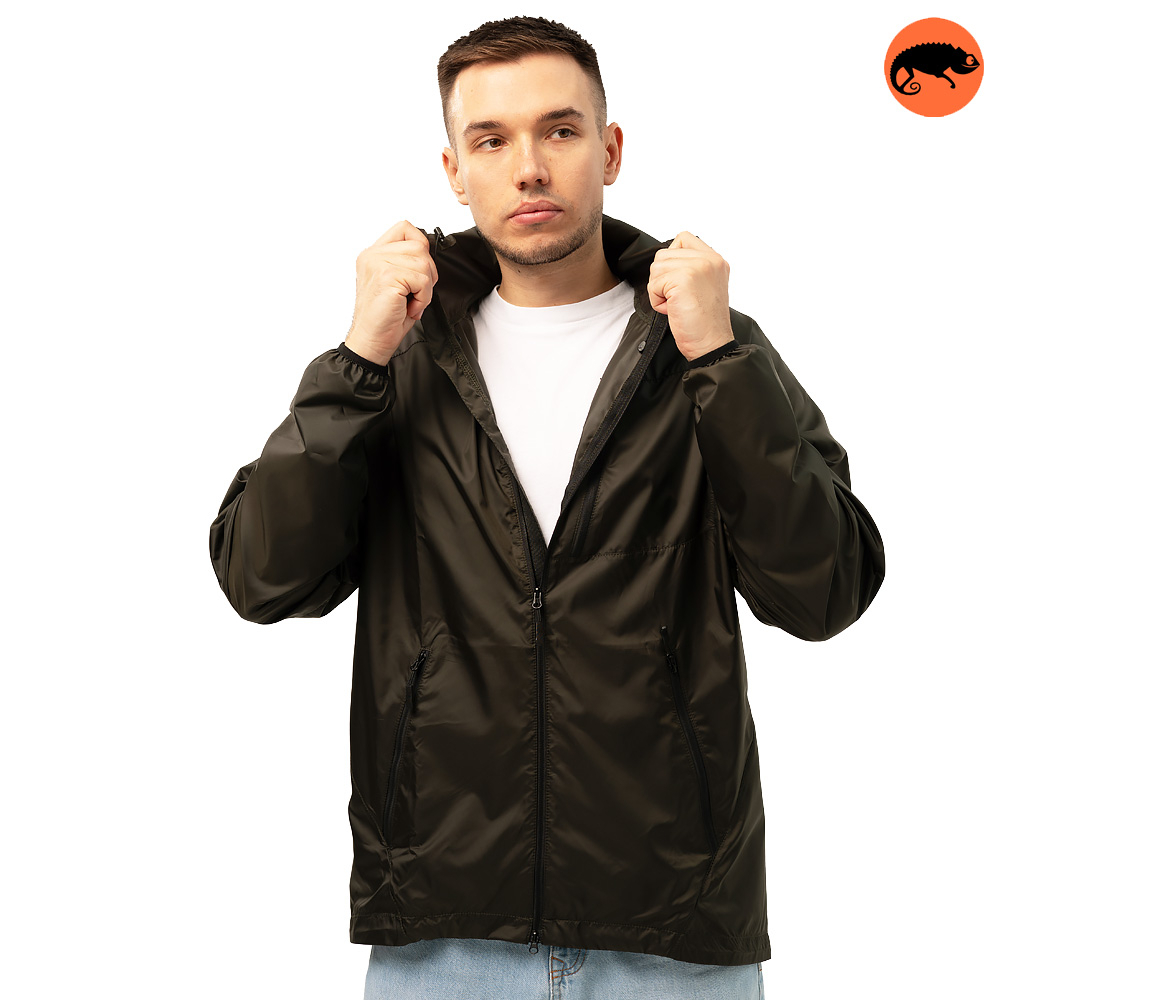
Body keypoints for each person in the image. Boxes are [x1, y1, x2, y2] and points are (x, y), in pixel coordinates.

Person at [208, 15, 885, 1000]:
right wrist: (356, 358)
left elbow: (823, 592)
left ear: (608, 150)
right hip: (443, 939)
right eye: (490, 140)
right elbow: (260, 578)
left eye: (559, 131)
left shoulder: (706, 346)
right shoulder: (396, 357)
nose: (527, 167)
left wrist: (720, 360)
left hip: (673, 939)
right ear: (454, 171)